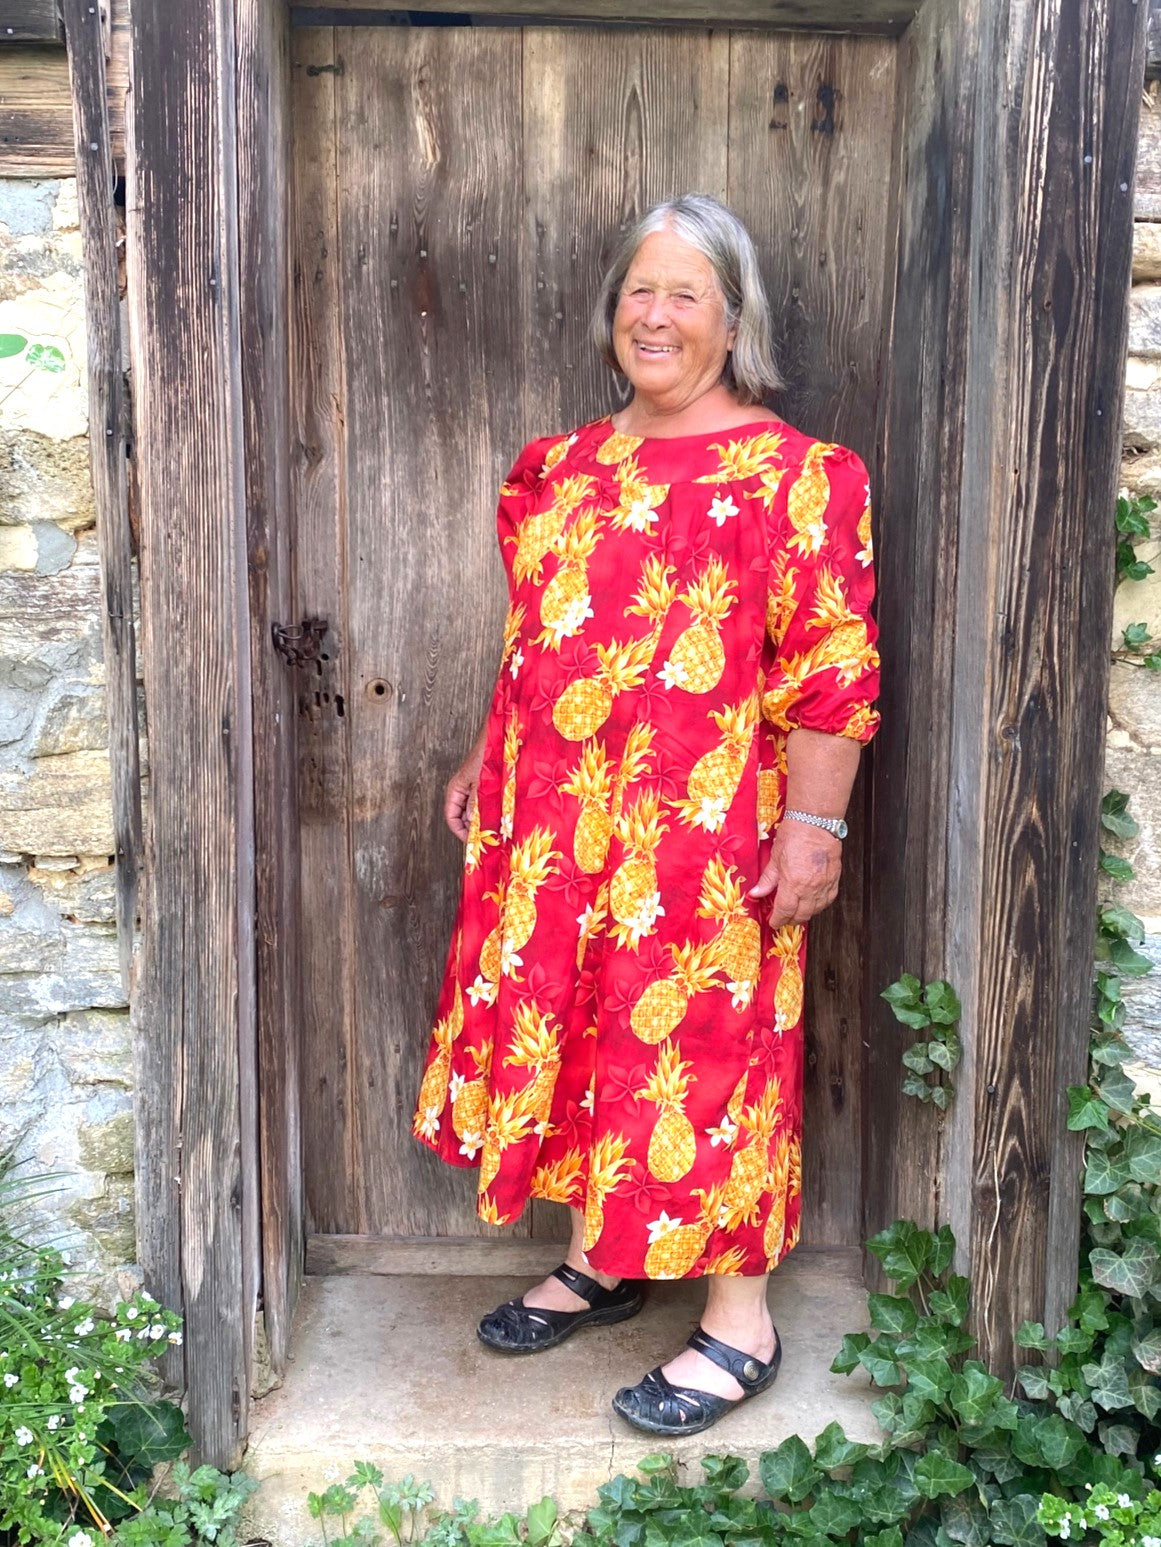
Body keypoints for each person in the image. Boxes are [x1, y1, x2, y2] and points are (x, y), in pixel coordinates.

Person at [412, 193, 881, 1437]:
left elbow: (833, 664)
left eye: (686, 292)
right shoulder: (560, 467)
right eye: (638, 291)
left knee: (706, 1049)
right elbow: (543, 636)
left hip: (707, 831)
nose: (655, 315)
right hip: (559, 821)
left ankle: (741, 1321)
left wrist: (816, 827)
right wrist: (483, 748)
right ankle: (605, 1255)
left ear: (735, 319)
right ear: (611, 313)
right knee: (575, 1024)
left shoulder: (796, 476)